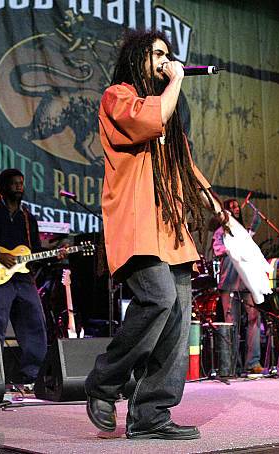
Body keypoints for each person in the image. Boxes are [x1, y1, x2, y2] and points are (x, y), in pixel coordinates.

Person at [84, 29, 227, 440]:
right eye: (157, 54)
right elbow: (148, 119)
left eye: (169, 55)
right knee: (158, 297)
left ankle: (151, 414)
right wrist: (178, 78)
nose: (166, 62)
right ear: (137, 58)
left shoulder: (166, 111)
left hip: (170, 228)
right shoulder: (119, 96)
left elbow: (185, 165)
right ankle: (103, 383)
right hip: (137, 222)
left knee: (179, 320)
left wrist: (215, 205)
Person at [0, 169, 65, 384]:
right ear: (2, 188)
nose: (19, 186)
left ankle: (31, 376)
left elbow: (35, 251)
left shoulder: (28, 217)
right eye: (14, 183)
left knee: (34, 324)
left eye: (21, 183)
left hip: (23, 279)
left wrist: (55, 255)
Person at [212, 199, 262, 374]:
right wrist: (234, 245)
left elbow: (256, 224)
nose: (235, 209)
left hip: (247, 282)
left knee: (254, 319)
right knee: (231, 323)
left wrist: (255, 212)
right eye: (230, 207)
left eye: (236, 206)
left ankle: (253, 362)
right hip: (229, 283)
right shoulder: (220, 233)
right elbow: (218, 250)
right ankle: (233, 364)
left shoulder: (243, 233)